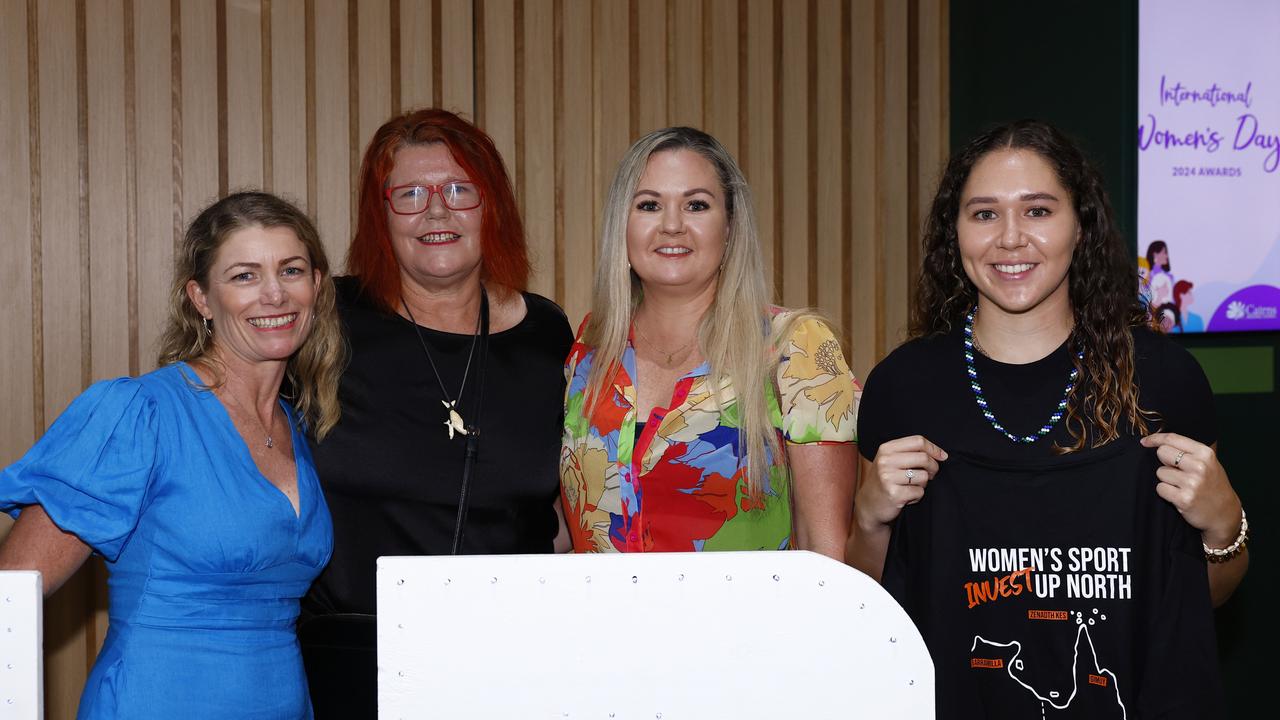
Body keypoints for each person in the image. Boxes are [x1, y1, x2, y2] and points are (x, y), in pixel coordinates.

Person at [849, 120, 1244, 718]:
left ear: (1080, 226)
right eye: (984, 214)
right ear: (954, 233)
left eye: (1037, 211)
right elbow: (881, 609)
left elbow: (1194, 604)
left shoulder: (1165, 381)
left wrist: (1225, 528)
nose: (1010, 239)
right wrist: (869, 520)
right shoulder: (903, 388)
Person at [0, 191, 343, 719]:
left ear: (317, 287)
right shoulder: (141, 414)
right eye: (244, 276)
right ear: (201, 299)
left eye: (291, 270)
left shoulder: (299, 425)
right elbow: (10, 600)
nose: (274, 294)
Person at [301, 108, 573, 716]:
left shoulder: (548, 334)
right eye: (409, 194)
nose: (436, 211)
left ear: (491, 206)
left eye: (458, 190)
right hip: (351, 666)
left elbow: (565, 510)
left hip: (515, 663)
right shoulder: (323, 320)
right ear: (380, 216)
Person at [560, 127, 858, 558]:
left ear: (731, 226)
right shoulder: (590, 348)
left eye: (696, 205)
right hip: (600, 624)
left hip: (750, 625)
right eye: (649, 205)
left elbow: (825, 552)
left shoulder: (797, 346)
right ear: (621, 228)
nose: (672, 225)